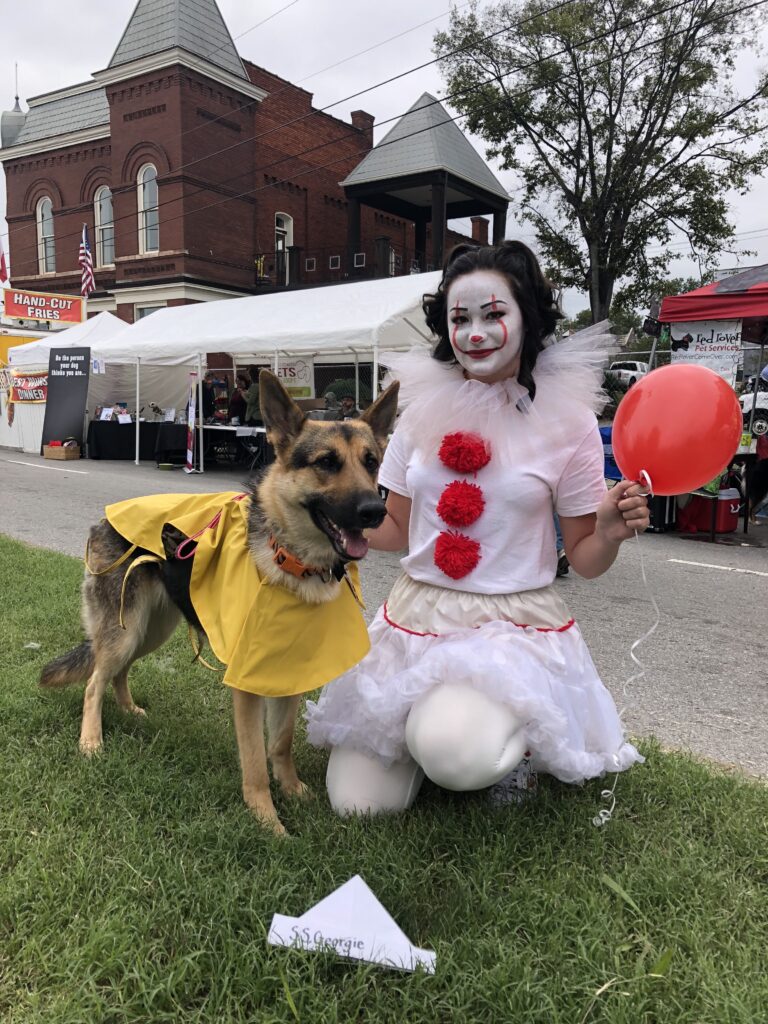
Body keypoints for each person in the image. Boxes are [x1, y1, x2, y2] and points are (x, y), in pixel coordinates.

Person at [306, 240, 649, 815]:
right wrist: (329, 530)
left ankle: (504, 753)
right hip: (418, 615)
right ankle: (429, 732)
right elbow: (396, 529)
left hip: (509, 628)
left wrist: (610, 529)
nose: (476, 332)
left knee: (454, 753)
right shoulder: (421, 411)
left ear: (526, 318)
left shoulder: (568, 422)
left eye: (494, 314)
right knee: (356, 804)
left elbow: (585, 558)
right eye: (460, 318)